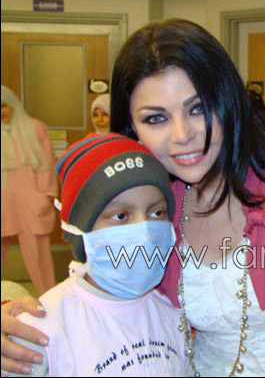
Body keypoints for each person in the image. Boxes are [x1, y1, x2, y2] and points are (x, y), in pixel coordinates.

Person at [1, 19, 265, 377]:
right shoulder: (156, 207)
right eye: (156, 118)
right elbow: (96, 292)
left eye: (197, 108)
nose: (182, 134)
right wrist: (20, 314)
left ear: (227, 99)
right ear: (131, 128)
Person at [5, 133, 186, 377]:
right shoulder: (42, 331)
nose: (144, 231)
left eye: (157, 213)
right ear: (80, 230)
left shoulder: (171, 312)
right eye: (120, 216)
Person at [1, 86, 57, 296]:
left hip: (30, 199)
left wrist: (45, 194)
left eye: (3, 105)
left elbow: (46, 165)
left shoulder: (35, 129)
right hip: (3, 200)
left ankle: (48, 298)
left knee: (38, 254)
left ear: (13, 104)